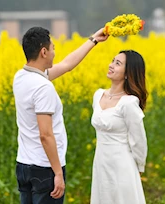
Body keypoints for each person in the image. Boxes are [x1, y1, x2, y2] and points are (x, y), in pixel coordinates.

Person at [13, 27, 108, 204]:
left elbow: (66, 65)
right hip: (44, 167)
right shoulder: (43, 87)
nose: (54, 53)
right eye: (53, 48)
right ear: (43, 52)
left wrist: (93, 40)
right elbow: (45, 135)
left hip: (24, 165)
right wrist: (57, 173)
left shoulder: (21, 77)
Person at [90, 50, 148, 204]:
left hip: (122, 164)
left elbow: (139, 139)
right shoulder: (98, 95)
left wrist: (139, 167)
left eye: (118, 63)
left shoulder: (129, 103)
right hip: (101, 162)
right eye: (112, 60)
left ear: (128, 73)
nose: (111, 65)